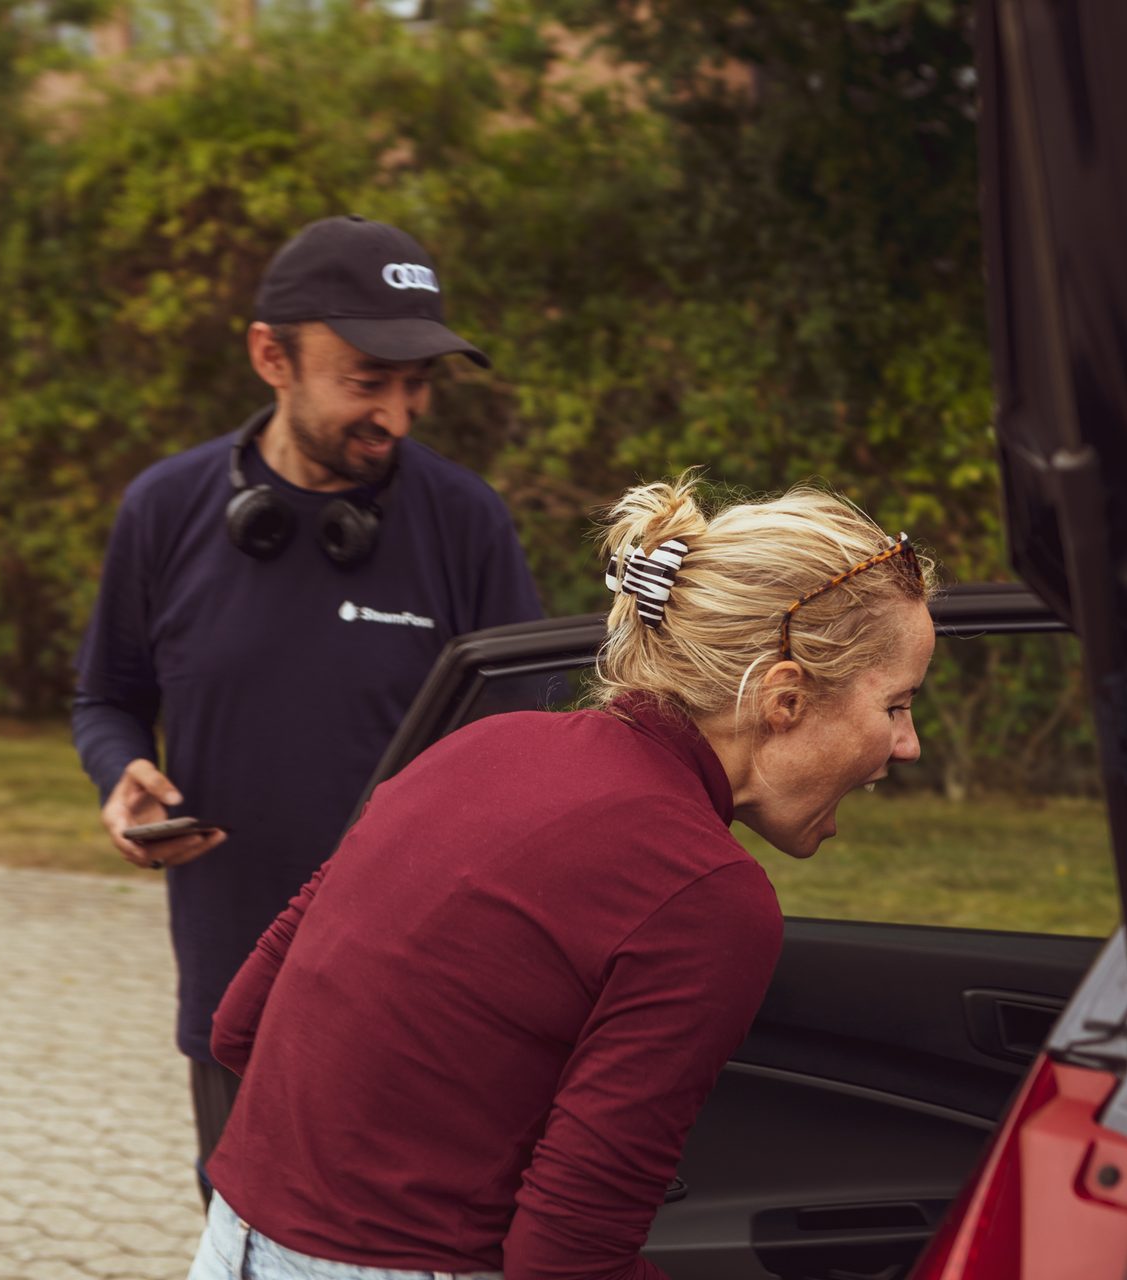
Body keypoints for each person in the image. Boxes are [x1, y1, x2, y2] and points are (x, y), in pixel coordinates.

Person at [183, 473, 937, 1280]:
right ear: (784, 698)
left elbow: (241, 1024)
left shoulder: (482, 746)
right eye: (896, 705)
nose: (908, 745)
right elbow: (567, 1257)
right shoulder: (705, 895)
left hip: (234, 1242)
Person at [71, 214, 545, 1202]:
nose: (401, 416)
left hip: (424, 997)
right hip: (233, 984)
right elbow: (108, 696)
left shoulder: (466, 522)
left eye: (418, 385)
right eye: (368, 380)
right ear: (269, 356)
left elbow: (532, 748)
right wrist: (122, 777)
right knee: (243, 1244)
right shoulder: (163, 510)